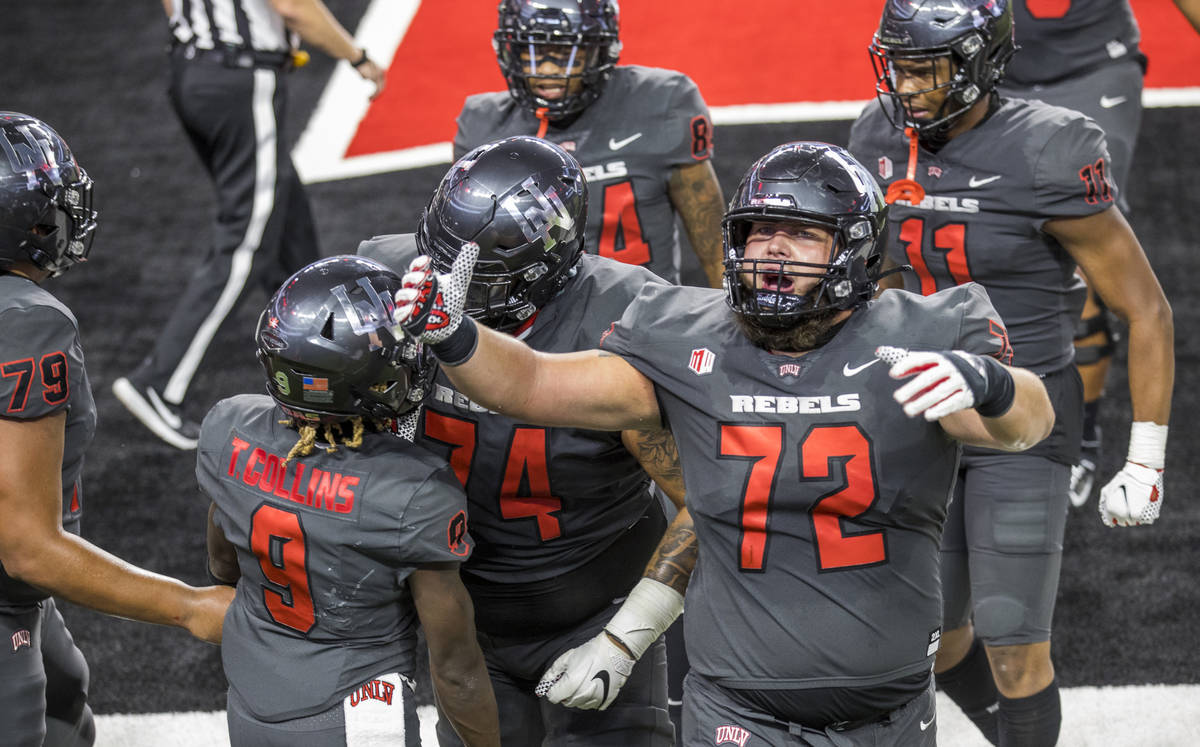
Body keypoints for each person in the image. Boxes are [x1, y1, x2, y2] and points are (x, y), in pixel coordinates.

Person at [393, 140, 1057, 745]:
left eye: (799, 234)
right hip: (738, 710)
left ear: (852, 247)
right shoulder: (684, 331)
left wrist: (990, 382)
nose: (772, 249)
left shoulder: (926, 331)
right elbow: (532, 383)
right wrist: (456, 336)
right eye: (758, 231)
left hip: (890, 710)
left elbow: (1028, 423)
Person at [848, 0, 1174, 743]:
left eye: (927, 67)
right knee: (931, 636)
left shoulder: (1049, 148)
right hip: (919, 408)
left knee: (1014, 643)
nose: (908, 84)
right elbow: (885, 280)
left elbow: (1146, 308)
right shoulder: (875, 135)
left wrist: (1146, 456)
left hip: (1021, 417)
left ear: (979, 65)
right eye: (898, 64)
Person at [358, 135, 687, 746]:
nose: (450, 286)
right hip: (459, 614)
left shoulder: (626, 316)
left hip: (591, 608)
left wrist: (630, 632)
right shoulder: (388, 277)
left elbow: (709, 499)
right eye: (440, 258)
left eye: (478, 277)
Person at [0, 111, 233, 747]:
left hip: (18, 597)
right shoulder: (25, 323)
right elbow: (25, 545)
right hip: (9, 583)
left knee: (66, 699)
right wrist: (188, 607)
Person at [199, 255, 500, 746]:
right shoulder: (415, 490)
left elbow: (222, 563)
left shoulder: (228, 426)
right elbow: (455, 668)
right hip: (358, 714)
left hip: (250, 704)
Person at [113, 0, 387, 450]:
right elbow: (293, 6)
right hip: (241, 80)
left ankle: (324, 374)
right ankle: (158, 382)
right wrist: (357, 57)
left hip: (192, 69)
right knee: (247, 241)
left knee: (287, 224)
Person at [998, 0, 1198, 507]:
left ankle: (1079, 436)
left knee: (1082, 262)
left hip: (1094, 67)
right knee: (989, 248)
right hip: (988, 71)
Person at [455, 0, 726, 288]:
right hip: (537, 318)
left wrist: (728, 313)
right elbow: (470, 252)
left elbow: (712, 239)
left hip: (643, 312)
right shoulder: (481, 126)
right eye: (530, 51)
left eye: (565, 52)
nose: (546, 69)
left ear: (599, 50)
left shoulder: (663, 104)